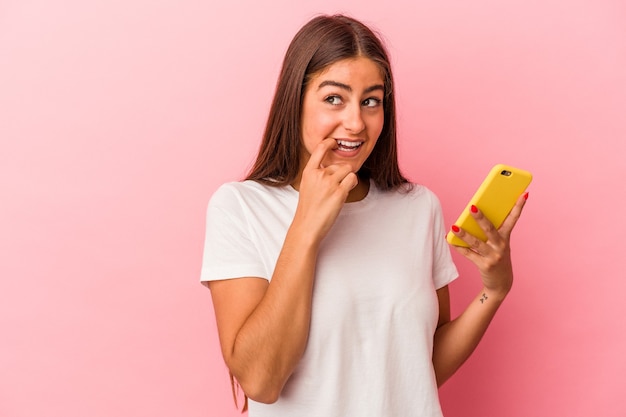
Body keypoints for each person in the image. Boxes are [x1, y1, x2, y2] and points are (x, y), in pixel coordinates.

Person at [200, 14, 528, 417]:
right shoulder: (240, 207)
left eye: (371, 100)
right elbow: (261, 382)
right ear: (295, 101)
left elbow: (418, 369)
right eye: (334, 98)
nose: (356, 123)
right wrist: (306, 226)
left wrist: (493, 290)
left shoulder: (417, 207)